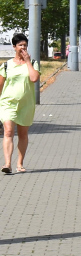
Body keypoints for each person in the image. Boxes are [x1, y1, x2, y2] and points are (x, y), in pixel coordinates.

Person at [1, 34, 39, 174]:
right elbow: (0, 85)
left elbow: (34, 78)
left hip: (26, 104)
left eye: (25, 45)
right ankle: (8, 164)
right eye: (20, 45)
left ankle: (20, 163)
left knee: (22, 134)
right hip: (8, 103)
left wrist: (28, 61)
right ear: (14, 47)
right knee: (9, 131)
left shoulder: (33, 63)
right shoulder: (6, 65)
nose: (23, 47)